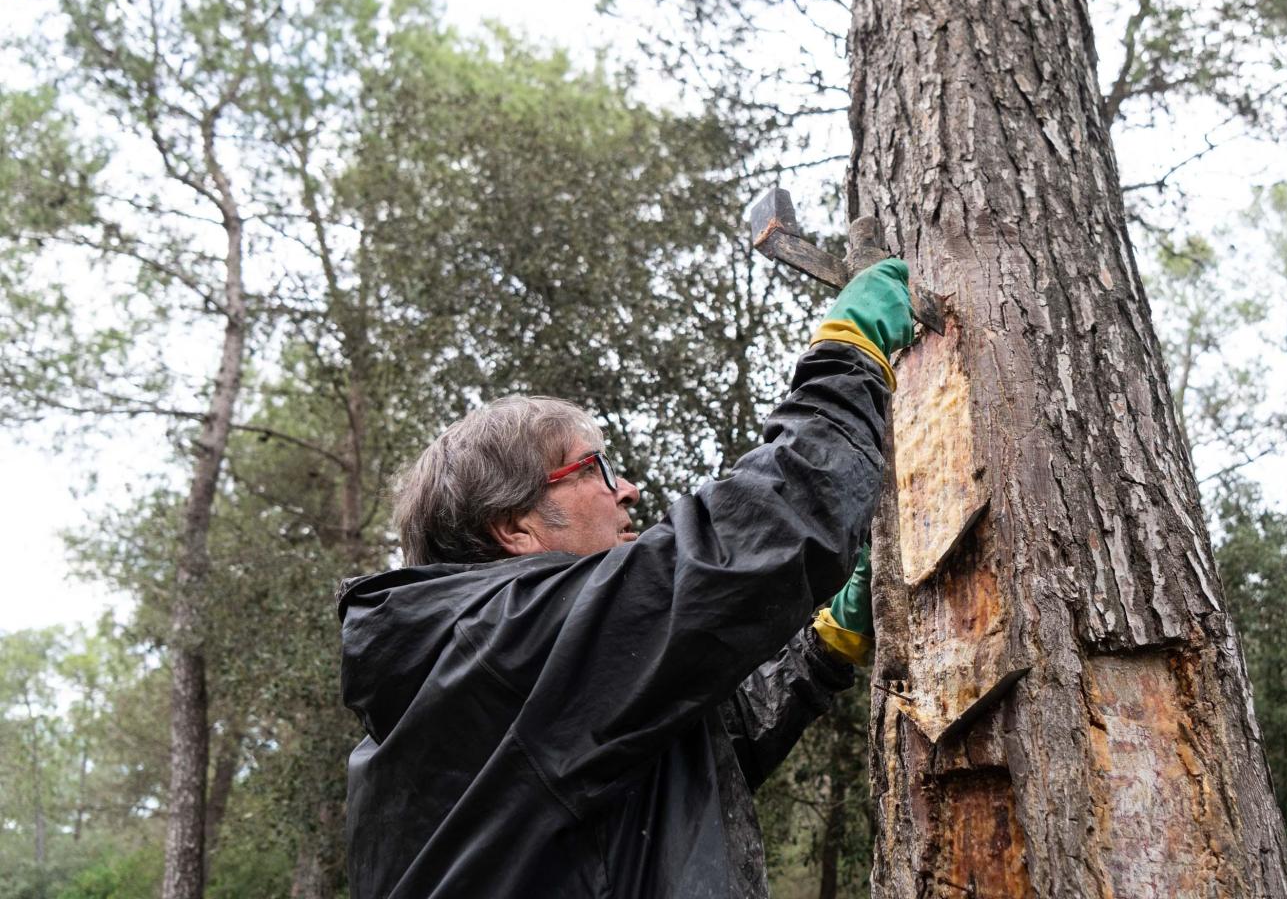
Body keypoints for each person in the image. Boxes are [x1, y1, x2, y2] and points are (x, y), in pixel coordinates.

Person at [337, 248, 915, 898]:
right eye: (596, 470)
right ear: (515, 526)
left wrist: (823, 648)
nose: (629, 490)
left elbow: (698, 754)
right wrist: (848, 355)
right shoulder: (504, 645)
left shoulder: (514, 677)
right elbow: (755, 536)